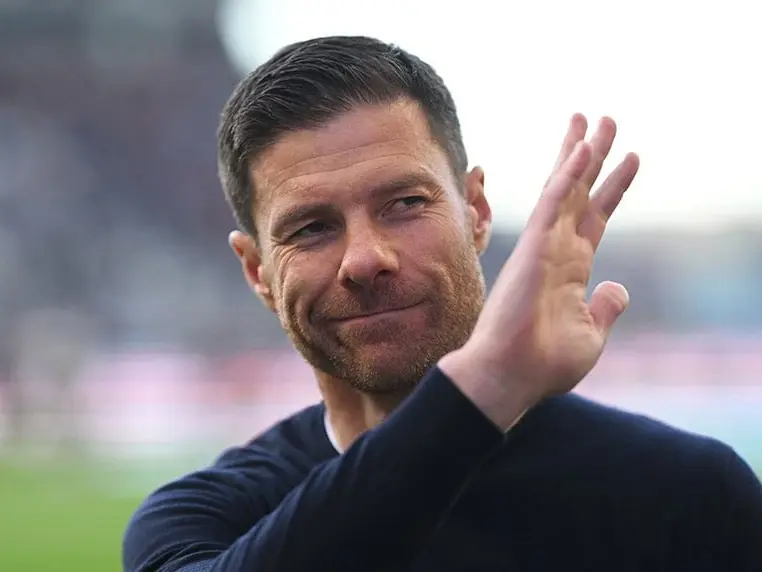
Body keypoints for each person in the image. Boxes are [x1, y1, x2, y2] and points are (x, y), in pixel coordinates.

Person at [122, 36, 762, 571]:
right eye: (311, 228)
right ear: (258, 271)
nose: (365, 258)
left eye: (404, 204)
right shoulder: (202, 519)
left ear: (476, 211)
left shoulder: (686, 497)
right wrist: (489, 381)